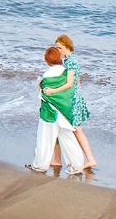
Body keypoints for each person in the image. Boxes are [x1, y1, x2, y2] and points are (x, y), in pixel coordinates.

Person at [30, 46, 86, 174]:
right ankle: (76, 166)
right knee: (68, 138)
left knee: (44, 139)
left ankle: (39, 166)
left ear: (47, 61)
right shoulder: (67, 72)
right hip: (65, 112)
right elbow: (72, 89)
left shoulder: (47, 75)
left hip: (50, 113)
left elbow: (43, 93)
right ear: (59, 58)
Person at [52, 34, 98, 170]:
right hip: (70, 98)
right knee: (61, 127)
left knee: (76, 130)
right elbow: (78, 82)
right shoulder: (67, 61)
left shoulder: (71, 62)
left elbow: (70, 83)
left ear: (67, 47)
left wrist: (53, 92)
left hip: (72, 100)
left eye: (59, 48)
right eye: (56, 48)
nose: (57, 51)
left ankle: (90, 159)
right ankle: (57, 160)